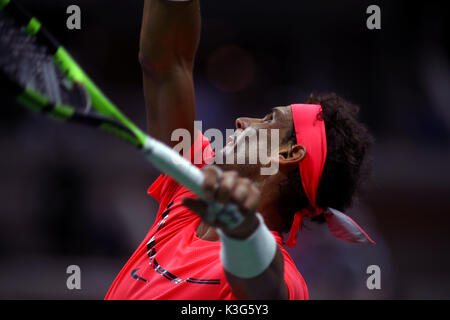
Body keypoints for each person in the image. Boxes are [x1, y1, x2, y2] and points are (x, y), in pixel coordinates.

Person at [105, 0, 374, 300]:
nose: (242, 122)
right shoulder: (193, 182)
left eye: (268, 119)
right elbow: (166, 64)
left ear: (288, 154)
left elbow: (262, 287)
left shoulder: (286, 282)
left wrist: (243, 231)